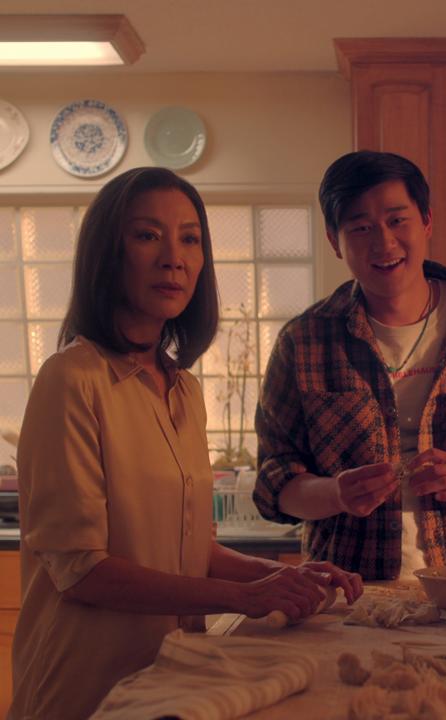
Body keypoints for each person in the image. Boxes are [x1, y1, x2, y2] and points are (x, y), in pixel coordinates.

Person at [10, 167, 362, 720]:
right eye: (147, 235)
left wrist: (279, 576)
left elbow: (188, 554)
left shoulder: (183, 389)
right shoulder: (71, 380)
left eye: (190, 238)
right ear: (109, 252)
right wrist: (242, 599)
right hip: (85, 687)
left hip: (174, 682)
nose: (174, 257)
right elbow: (81, 569)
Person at [253, 150, 446, 580]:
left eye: (398, 220)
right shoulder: (303, 342)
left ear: (427, 221)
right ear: (333, 241)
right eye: (360, 228)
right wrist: (336, 493)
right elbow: (275, 479)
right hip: (345, 593)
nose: (383, 243)